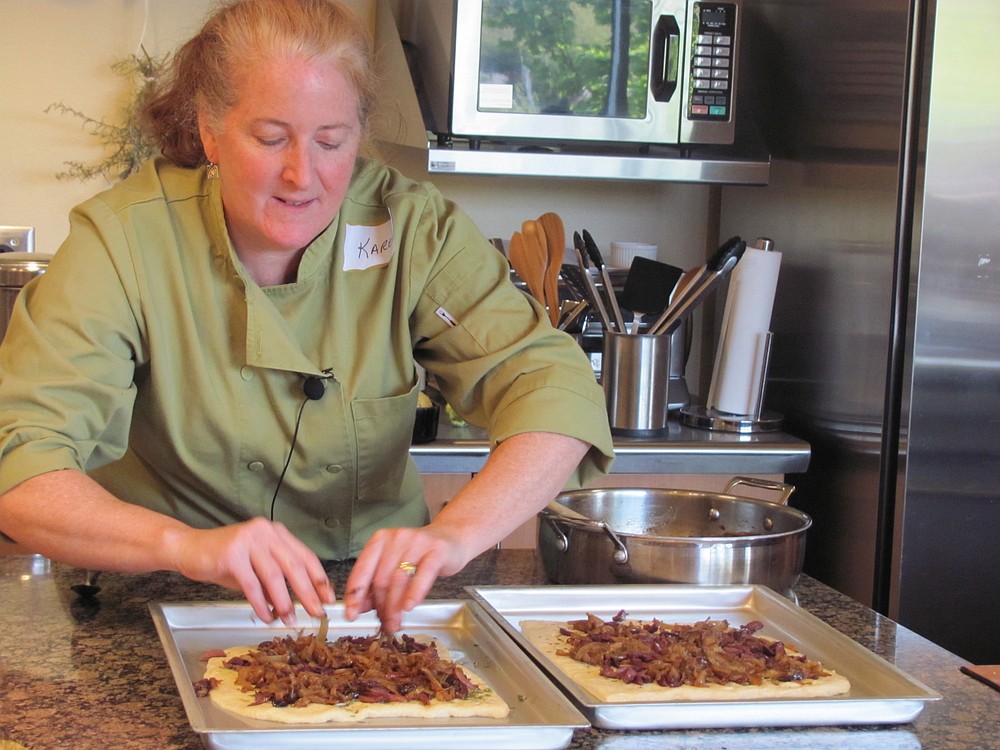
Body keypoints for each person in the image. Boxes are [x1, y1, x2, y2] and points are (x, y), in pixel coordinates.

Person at [0, 0, 613, 634]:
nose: (303, 175)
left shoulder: (413, 231)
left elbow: (553, 391)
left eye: (331, 141)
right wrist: (185, 546)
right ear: (210, 130)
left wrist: (455, 535)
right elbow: (23, 466)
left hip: (374, 611)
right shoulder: (121, 241)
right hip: (154, 603)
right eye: (270, 139)